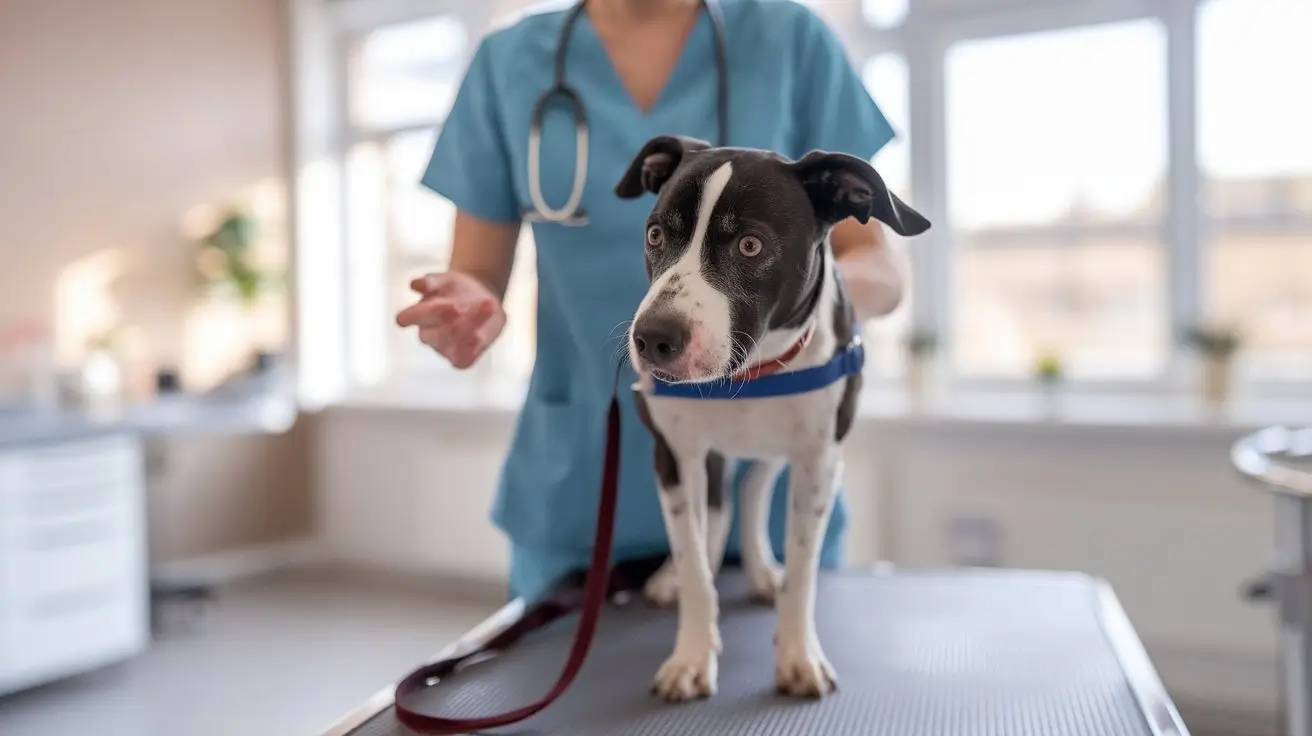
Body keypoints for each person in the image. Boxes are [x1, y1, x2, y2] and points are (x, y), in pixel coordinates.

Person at [396, 0, 908, 605]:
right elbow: (478, 270)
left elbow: (875, 262)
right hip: (584, 486)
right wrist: (469, 306)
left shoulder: (789, 38)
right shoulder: (508, 62)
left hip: (769, 494)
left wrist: (802, 310)